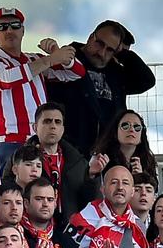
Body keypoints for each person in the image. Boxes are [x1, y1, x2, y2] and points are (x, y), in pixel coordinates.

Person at [0, 7, 81, 171]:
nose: (9, 30)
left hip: (41, 142)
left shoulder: (34, 59)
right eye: (2, 27)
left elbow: (76, 73)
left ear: (23, 30)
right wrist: (50, 59)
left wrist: (57, 53)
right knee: (11, 194)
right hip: (10, 143)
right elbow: (6, 79)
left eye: (15, 25)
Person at [49, 19, 155, 158]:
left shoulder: (116, 72)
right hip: (70, 151)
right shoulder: (67, 62)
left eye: (110, 49)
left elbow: (146, 81)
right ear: (91, 37)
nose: (102, 52)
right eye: (100, 44)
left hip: (110, 152)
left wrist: (124, 54)